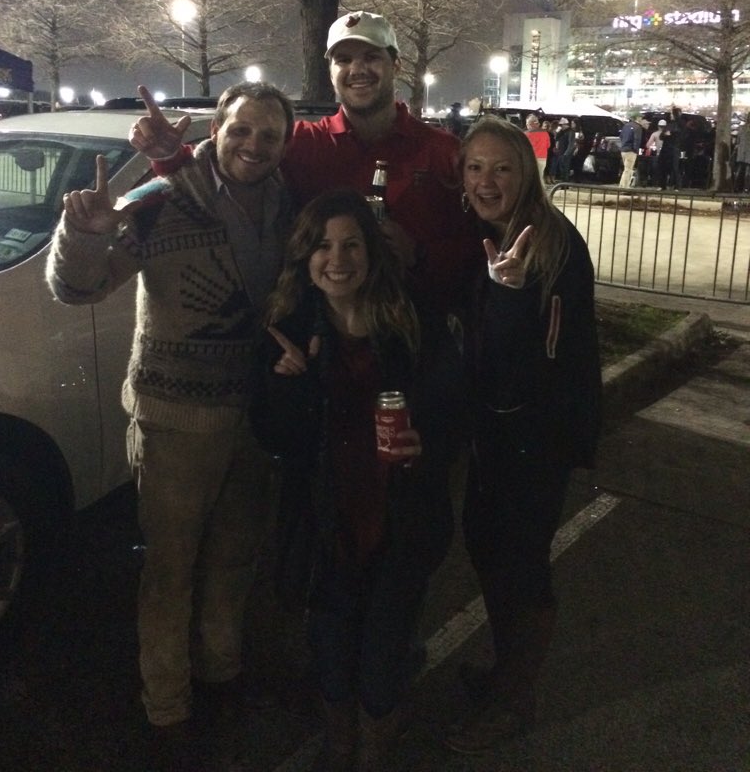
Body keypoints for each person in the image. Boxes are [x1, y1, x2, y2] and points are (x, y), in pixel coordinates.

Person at [46, 82, 296, 770]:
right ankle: (167, 708)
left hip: (254, 418)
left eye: (268, 136)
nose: (253, 145)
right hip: (175, 421)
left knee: (236, 558)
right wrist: (83, 233)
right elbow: (76, 288)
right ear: (217, 129)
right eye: (241, 130)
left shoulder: (285, 206)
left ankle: (222, 673)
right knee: (170, 570)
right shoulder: (161, 201)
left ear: (284, 146)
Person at [250, 189, 465, 772]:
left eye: (350, 244)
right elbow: (276, 439)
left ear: (371, 252)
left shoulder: (412, 320)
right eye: (322, 246)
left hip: (400, 522)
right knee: (331, 649)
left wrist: (430, 442)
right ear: (305, 256)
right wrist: (287, 383)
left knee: (382, 657)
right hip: (327, 526)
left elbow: (453, 408)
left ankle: (375, 746)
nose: (337, 258)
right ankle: (340, 744)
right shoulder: (290, 326)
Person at [444, 117, 602, 756]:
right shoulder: (491, 235)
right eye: (475, 168)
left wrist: (505, 296)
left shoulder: (550, 246)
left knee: (520, 566)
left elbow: (546, 361)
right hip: (496, 435)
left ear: (525, 173)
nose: (486, 181)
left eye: (501, 168)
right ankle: (505, 670)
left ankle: (515, 699)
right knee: (488, 549)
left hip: (537, 440)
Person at [131, 11, 479, 302]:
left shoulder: (442, 150)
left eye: (371, 56)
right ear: (331, 72)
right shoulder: (301, 142)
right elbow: (222, 166)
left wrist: (418, 254)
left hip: (420, 337)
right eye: (343, 59)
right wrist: (168, 156)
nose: (357, 69)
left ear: (397, 65)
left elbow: (474, 248)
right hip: (323, 349)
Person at [618, 112, 644, 188]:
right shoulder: (638, 127)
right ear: (637, 118)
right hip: (631, 150)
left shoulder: (626, 125)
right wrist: (636, 149)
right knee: (628, 169)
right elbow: (637, 139)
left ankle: (622, 185)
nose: (641, 119)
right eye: (640, 117)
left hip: (623, 149)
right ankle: (625, 187)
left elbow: (621, 136)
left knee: (626, 169)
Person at [524, 113, 550, 182]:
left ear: (531, 124)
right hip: (543, 159)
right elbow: (548, 145)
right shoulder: (545, 133)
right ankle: (540, 191)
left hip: (531, 159)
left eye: (527, 124)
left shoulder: (526, 134)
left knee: (529, 178)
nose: (526, 126)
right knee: (540, 178)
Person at [553, 117, 575, 182]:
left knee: (565, 169)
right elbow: (556, 138)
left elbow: (571, 144)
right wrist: (558, 131)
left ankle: (565, 183)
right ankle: (563, 182)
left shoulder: (571, 132)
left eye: (562, 125)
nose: (561, 126)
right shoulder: (562, 132)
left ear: (566, 124)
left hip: (566, 154)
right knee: (561, 169)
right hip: (561, 152)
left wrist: (566, 154)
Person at [733, 114, 750, 192]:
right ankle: (746, 188)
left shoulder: (741, 128)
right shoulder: (742, 128)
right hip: (747, 153)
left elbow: (737, 141)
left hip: (741, 152)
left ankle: (736, 187)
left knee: (739, 170)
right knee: (747, 171)